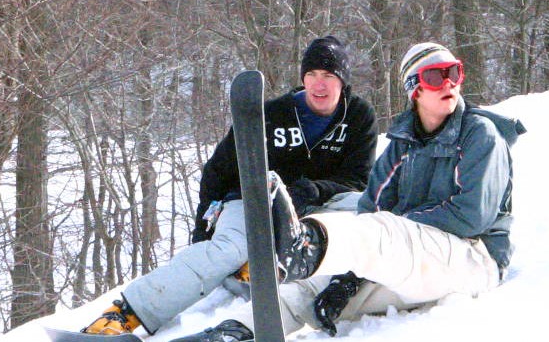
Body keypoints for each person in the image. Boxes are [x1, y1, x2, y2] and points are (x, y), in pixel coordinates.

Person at [169, 42, 526, 341]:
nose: (449, 82)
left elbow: (470, 217)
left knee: (381, 229)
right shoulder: (402, 145)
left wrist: (394, 227)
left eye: (454, 72)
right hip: (417, 263)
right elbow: (372, 205)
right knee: (314, 287)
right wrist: (351, 277)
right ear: (414, 88)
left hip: (473, 260)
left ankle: (306, 243)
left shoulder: (480, 135)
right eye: (436, 76)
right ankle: (229, 333)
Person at [81, 35, 378, 336]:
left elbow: (358, 179)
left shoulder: (358, 117)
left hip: (316, 206)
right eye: (312, 75)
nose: (319, 84)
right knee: (226, 250)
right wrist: (202, 224)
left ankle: (336, 281)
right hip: (255, 200)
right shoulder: (272, 114)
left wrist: (314, 190)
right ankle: (126, 312)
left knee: (366, 212)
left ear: (343, 82)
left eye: (329, 76)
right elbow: (218, 170)